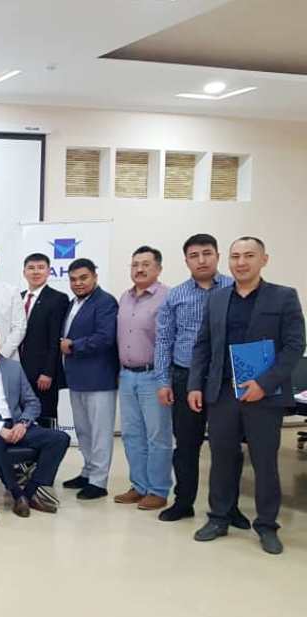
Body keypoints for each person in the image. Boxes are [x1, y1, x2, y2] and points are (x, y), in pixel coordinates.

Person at [189, 237, 305, 555]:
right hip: (223, 392)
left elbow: (295, 345)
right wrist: (195, 385)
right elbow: (203, 345)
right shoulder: (217, 299)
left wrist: (265, 383)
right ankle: (219, 518)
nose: (241, 262)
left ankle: (266, 525)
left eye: (249, 256)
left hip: (264, 395)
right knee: (221, 459)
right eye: (235, 256)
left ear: (264, 260)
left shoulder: (283, 296)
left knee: (265, 462)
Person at [153, 234, 248, 525]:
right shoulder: (176, 295)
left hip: (225, 380)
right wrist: (163, 381)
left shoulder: (235, 289)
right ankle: (183, 502)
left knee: (228, 447)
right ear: (186, 261)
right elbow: (164, 340)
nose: (201, 260)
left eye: (207, 253)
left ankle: (229, 507)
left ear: (218, 256)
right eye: (194, 256)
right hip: (184, 378)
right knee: (186, 445)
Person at [0, 325, 70, 516]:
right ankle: (16, 492)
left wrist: (23, 423)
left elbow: (32, 402)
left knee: (60, 438)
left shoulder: (14, 367)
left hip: (18, 424)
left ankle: (29, 492)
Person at [114, 246, 172, 511]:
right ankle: (139, 486)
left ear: (158, 268)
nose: (139, 269)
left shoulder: (167, 297)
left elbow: (168, 342)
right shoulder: (124, 297)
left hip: (153, 376)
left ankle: (158, 490)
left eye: (146, 264)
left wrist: (164, 380)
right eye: (135, 264)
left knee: (158, 437)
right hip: (127, 375)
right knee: (131, 435)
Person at [60, 258, 119, 500]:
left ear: (95, 276)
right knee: (84, 431)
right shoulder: (73, 303)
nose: (78, 283)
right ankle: (87, 471)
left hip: (99, 378)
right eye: (73, 279)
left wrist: (74, 345)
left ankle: (98, 481)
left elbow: (105, 337)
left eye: (83, 278)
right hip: (77, 377)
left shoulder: (105, 302)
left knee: (100, 432)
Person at [18, 253, 69, 420]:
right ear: (24, 272)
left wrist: (48, 372)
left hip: (42, 374)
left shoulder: (58, 299)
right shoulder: (17, 297)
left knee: (43, 416)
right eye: (31, 268)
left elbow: (55, 340)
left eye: (41, 268)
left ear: (49, 271)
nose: (36, 272)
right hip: (18, 368)